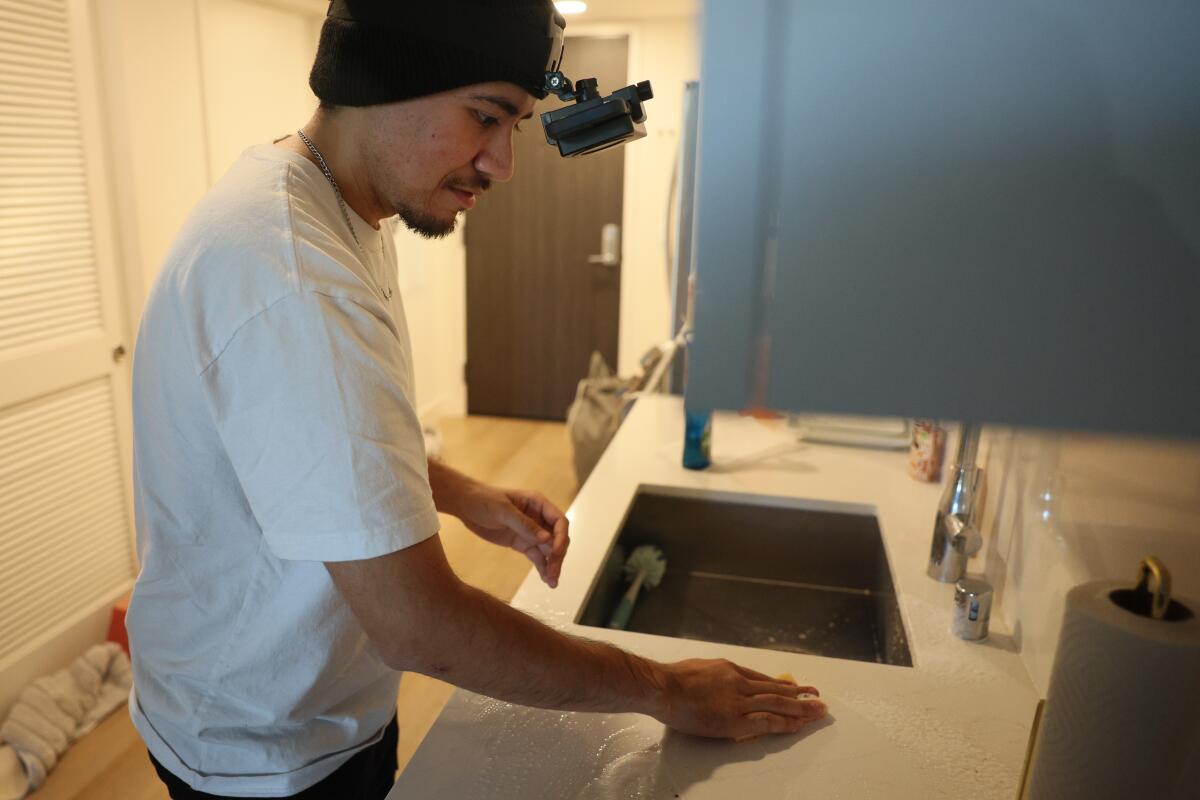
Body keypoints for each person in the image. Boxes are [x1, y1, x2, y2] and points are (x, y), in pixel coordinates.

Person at [126, 1, 827, 797]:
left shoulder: (334, 207)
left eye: (516, 126)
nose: (502, 164)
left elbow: (317, 451)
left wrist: (462, 494)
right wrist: (664, 689)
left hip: (313, 700)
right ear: (382, 75)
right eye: (485, 116)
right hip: (262, 743)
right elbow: (420, 627)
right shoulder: (294, 278)